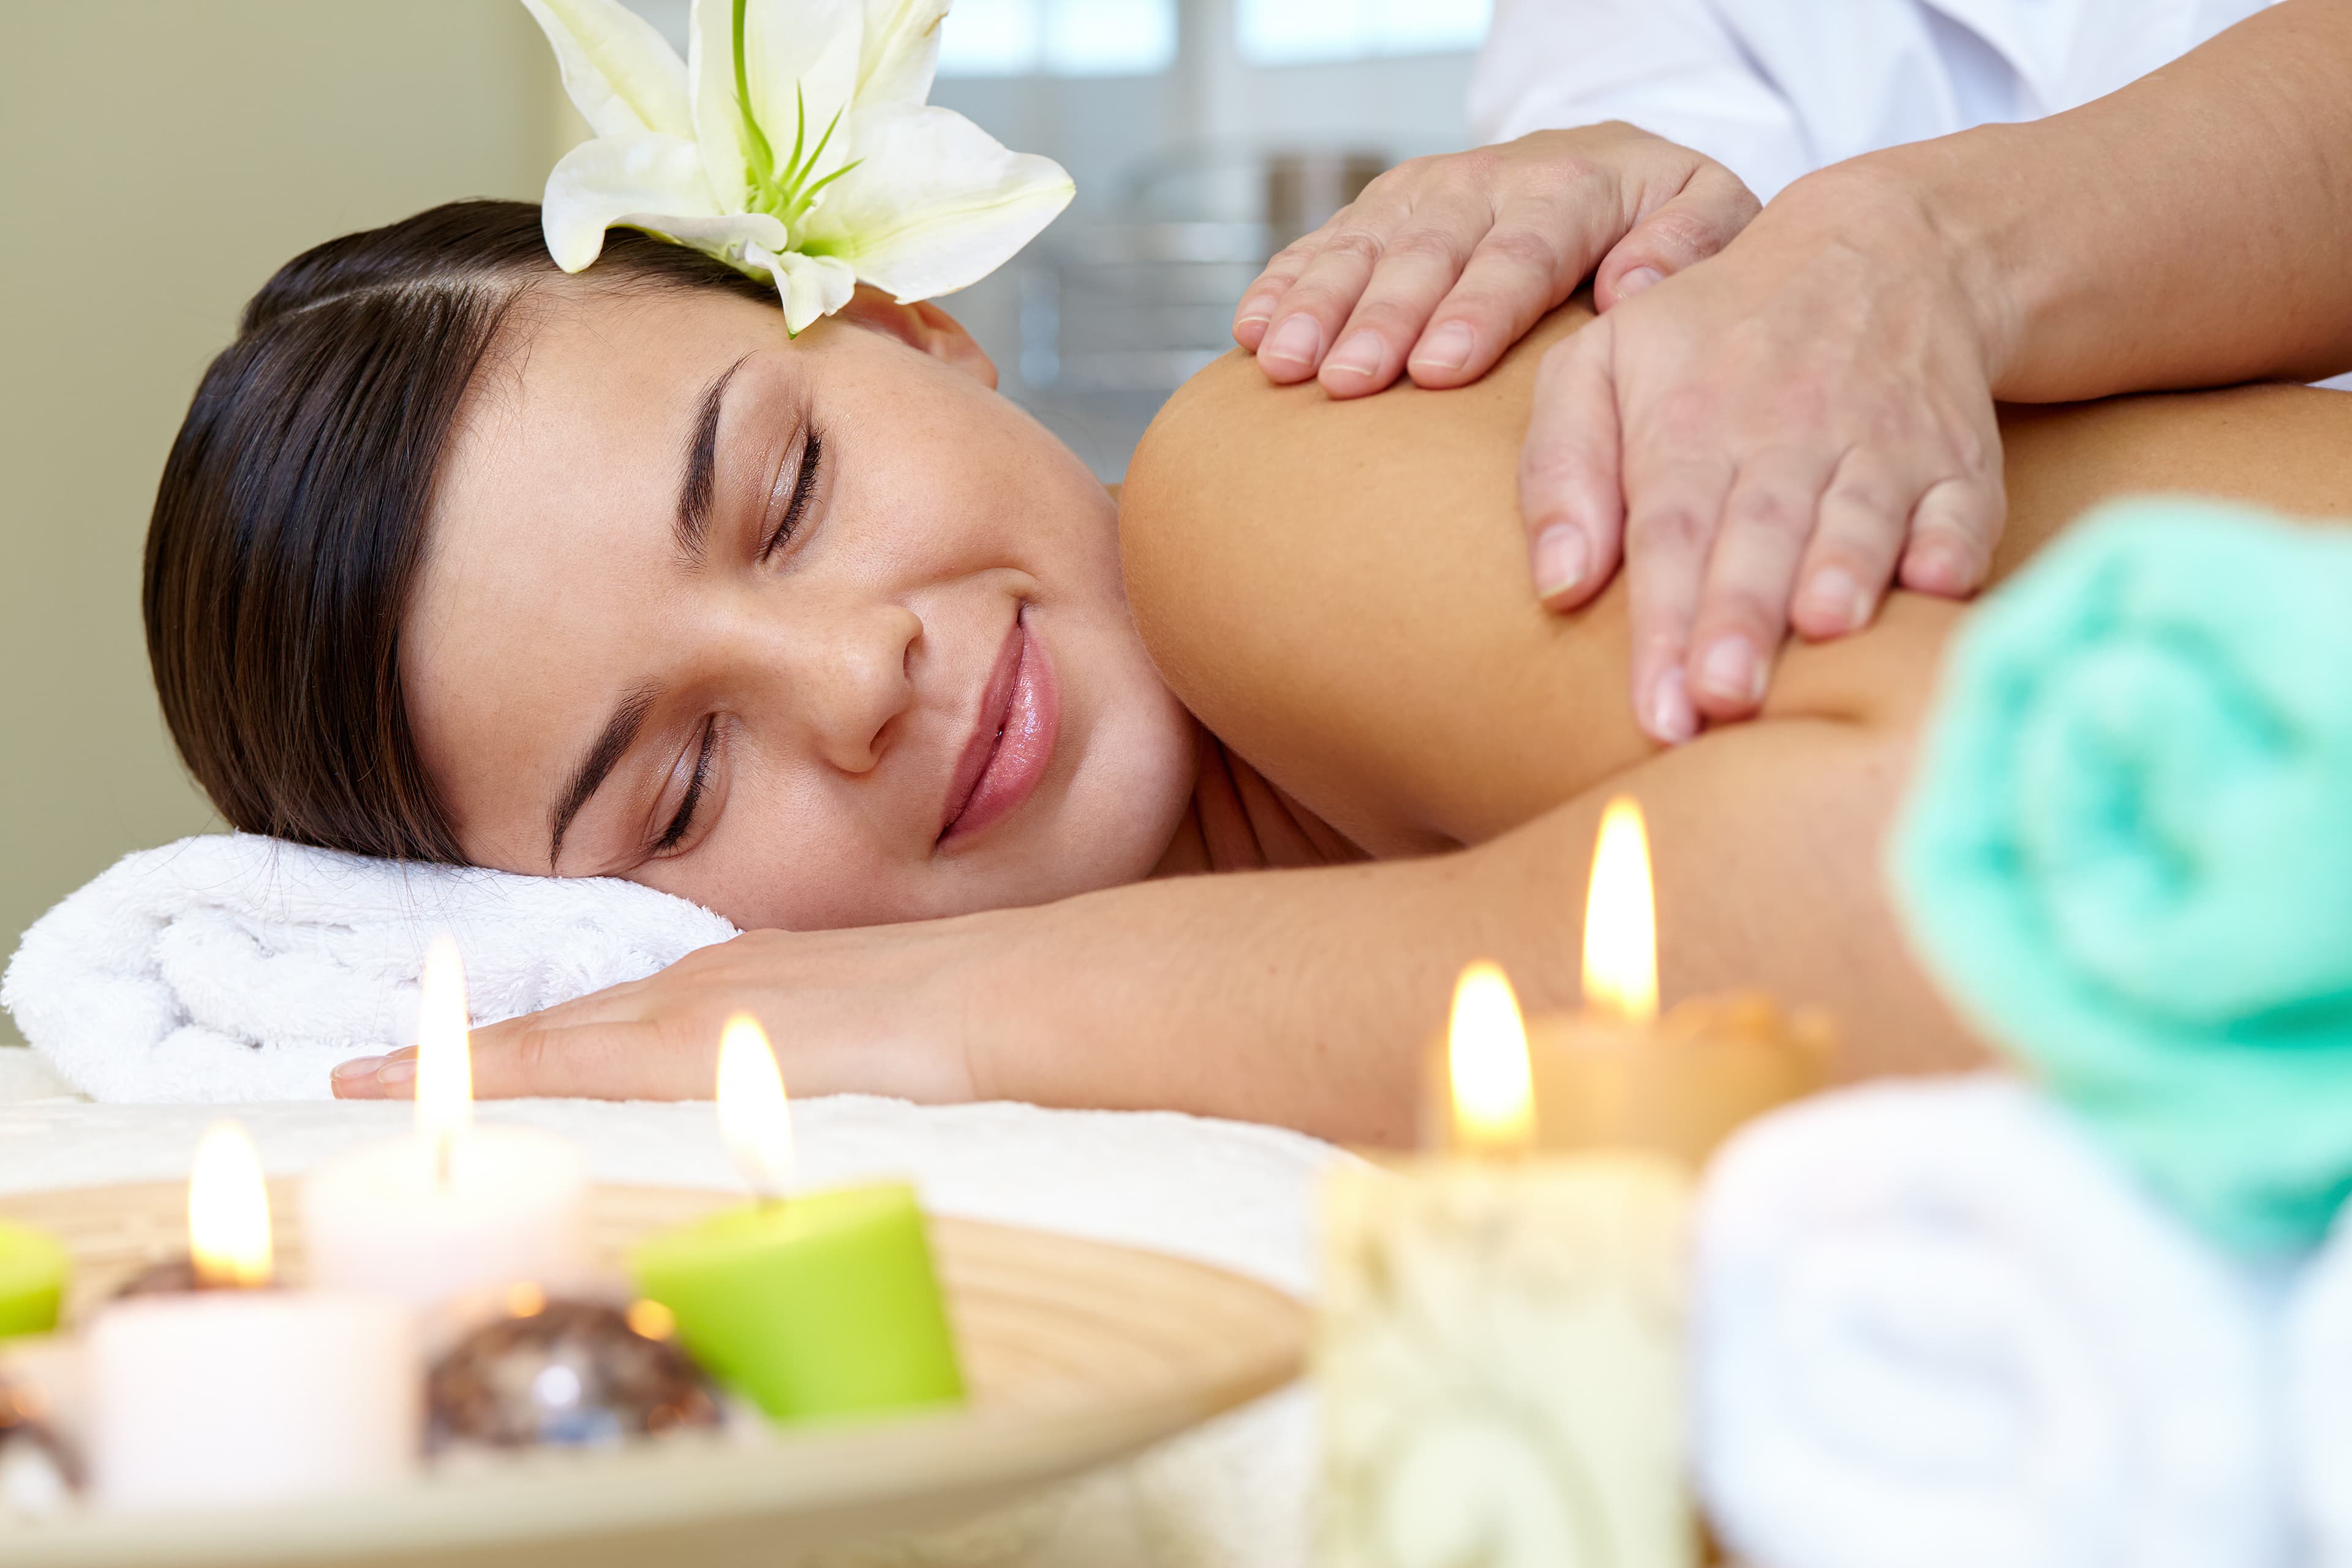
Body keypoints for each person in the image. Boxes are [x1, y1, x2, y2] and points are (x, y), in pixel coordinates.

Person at [143, 189, 2352, 1140]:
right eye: (683, 795)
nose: (854, 685)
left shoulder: (1267, 482)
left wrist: (956, 1001)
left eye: (793, 490)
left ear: (915, 334)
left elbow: (2020, 891)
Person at [1233, 0, 2352, 744]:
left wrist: (1921, 245)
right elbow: (1680, 260)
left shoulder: (1240, 514)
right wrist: (1636, 191)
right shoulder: (1275, 499)